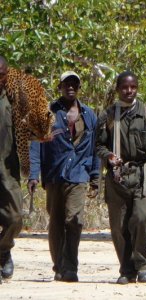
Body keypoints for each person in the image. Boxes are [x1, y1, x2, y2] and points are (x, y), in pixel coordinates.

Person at [95, 71, 146, 284]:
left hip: (144, 175)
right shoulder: (108, 115)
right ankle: (126, 269)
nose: (129, 91)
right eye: (125, 87)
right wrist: (108, 156)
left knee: (142, 218)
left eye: (133, 87)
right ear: (118, 89)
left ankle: (143, 265)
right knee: (119, 226)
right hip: (117, 178)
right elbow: (98, 145)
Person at [27, 71, 100, 282]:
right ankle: (59, 264)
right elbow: (35, 146)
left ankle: (71, 267)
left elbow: (95, 148)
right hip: (54, 173)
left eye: (74, 84)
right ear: (59, 86)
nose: (71, 87)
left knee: (74, 220)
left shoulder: (89, 115)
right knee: (57, 221)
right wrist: (33, 175)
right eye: (66, 84)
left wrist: (95, 176)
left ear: (79, 88)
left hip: (79, 174)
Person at [0, 56, 23, 283]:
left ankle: (3, 250)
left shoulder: (15, 102)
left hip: (8, 172)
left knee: (16, 218)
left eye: (1, 74)